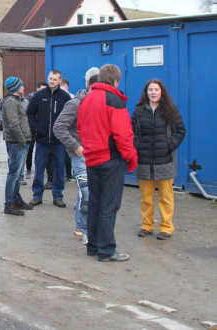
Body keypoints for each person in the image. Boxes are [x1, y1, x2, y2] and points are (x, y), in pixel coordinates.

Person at [77, 64, 137, 262]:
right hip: (110, 159)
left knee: (94, 203)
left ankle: (93, 246)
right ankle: (106, 250)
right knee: (109, 205)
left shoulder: (87, 99)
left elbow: (81, 128)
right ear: (116, 81)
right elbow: (123, 134)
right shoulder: (114, 100)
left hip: (92, 158)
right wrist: (131, 157)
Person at [131, 79, 186, 240]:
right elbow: (131, 131)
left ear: (162, 92)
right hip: (144, 161)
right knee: (146, 197)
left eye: (156, 89)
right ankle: (147, 225)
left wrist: (169, 146)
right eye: (150, 90)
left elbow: (180, 131)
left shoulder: (170, 109)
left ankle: (166, 227)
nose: (153, 92)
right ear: (146, 92)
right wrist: (138, 146)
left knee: (166, 197)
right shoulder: (139, 110)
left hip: (165, 161)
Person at [53, 67, 99, 245]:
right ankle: (86, 230)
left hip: (95, 154)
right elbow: (59, 127)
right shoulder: (75, 104)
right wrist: (76, 146)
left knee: (86, 192)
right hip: (81, 155)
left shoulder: (101, 102)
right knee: (86, 192)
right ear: (88, 83)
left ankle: (81, 226)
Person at [27, 70, 72, 208]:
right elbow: (29, 113)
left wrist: (66, 131)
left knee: (59, 168)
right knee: (39, 168)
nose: (52, 81)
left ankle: (58, 196)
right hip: (42, 139)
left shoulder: (65, 97)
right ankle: (37, 195)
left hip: (59, 141)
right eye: (50, 78)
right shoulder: (39, 96)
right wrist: (36, 128)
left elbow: (71, 115)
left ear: (60, 81)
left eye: (54, 79)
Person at [0, 77, 34, 216]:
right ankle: (9, 204)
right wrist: (22, 140)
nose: (24, 87)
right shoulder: (10, 103)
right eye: (21, 85)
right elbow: (13, 124)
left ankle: (16, 199)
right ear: (15, 88)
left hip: (21, 142)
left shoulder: (16, 101)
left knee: (18, 174)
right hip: (16, 143)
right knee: (13, 174)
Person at [23, 80, 47, 182]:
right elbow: (29, 113)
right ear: (37, 88)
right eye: (41, 89)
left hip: (43, 128)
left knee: (43, 150)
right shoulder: (31, 99)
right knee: (30, 149)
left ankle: (42, 169)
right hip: (32, 128)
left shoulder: (47, 98)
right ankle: (28, 169)